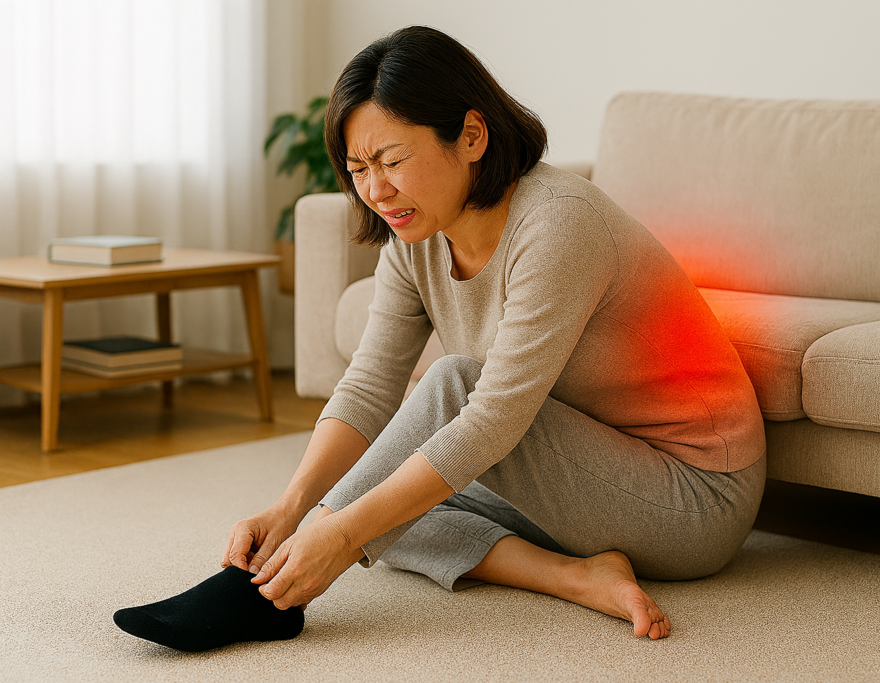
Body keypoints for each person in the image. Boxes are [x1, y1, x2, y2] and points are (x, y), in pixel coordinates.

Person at [113, 25, 766, 651]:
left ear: (473, 134)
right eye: (359, 167)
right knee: (391, 503)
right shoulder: (416, 237)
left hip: (695, 496)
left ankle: (266, 597)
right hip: (580, 466)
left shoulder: (557, 225)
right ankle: (575, 574)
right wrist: (288, 509)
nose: (375, 189)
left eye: (393, 160)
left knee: (437, 412)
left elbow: (493, 420)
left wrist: (337, 536)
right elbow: (368, 386)